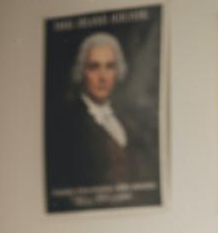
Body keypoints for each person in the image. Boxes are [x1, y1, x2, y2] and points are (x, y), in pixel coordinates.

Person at [49, 30, 158, 191]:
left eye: (110, 66)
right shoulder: (67, 124)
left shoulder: (126, 120)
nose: (102, 76)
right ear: (81, 71)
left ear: (118, 71)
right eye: (94, 67)